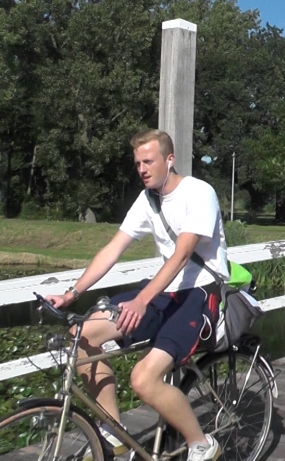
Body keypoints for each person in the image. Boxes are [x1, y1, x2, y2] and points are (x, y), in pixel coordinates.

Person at [45, 129, 229, 461]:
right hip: (163, 292)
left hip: (199, 292)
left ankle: (202, 443)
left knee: (143, 379)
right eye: (137, 163)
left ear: (169, 159)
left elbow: (182, 254)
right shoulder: (148, 199)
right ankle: (112, 431)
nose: (142, 169)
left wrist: (142, 299)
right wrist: (72, 293)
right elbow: (114, 248)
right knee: (81, 336)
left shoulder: (199, 193)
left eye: (148, 161)